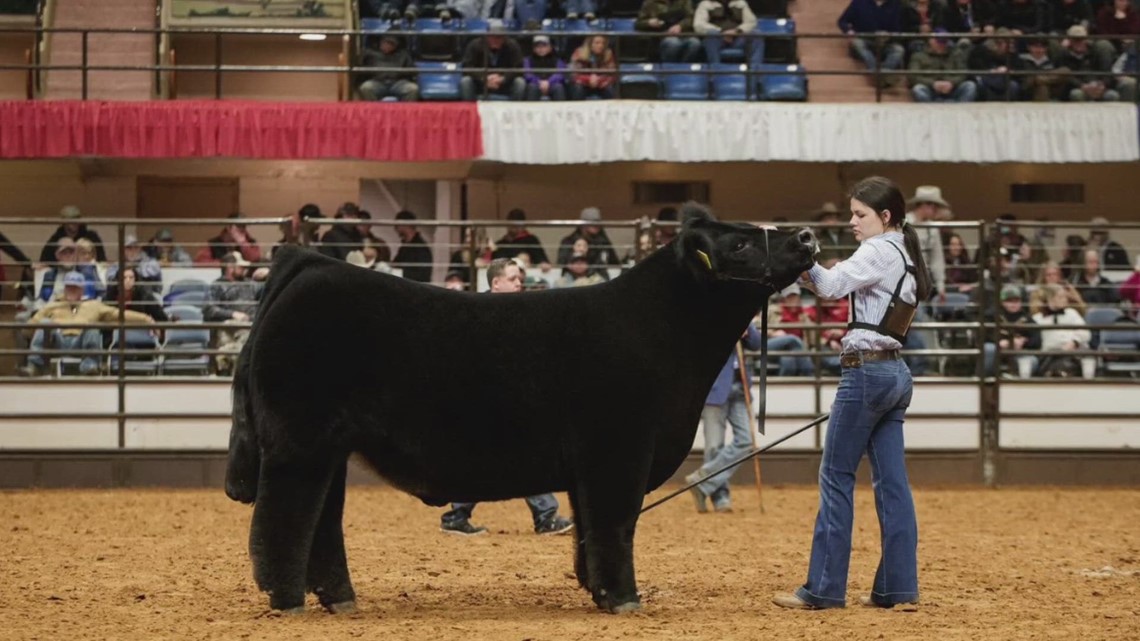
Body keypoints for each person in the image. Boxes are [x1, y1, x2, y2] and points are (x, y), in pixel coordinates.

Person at [773, 176, 929, 611]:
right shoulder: (906, 251)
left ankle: (823, 588)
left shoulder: (879, 249)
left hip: (864, 374)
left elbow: (828, 286)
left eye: (860, 215)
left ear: (885, 216)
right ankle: (898, 588)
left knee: (836, 477)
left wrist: (800, 258)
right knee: (892, 484)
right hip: (895, 373)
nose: (852, 222)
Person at [440, 258, 574, 536]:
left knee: (497, 456)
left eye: (519, 278)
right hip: (489, 398)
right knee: (523, 452)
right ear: (496, 282)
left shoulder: (516, 311)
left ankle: (458, 515)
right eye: (513, 279)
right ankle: (544, 516)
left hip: (503, 398)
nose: (519, 283)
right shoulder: (478, 312)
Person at [684, 321, 763, 513]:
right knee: (714, 446)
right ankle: (720, 498)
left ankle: (701, 480)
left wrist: (747, 330)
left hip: (740, 386)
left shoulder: (742, 315)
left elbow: (757, 343)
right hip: (714, 389)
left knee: (746, 441)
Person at [19, 271, 155, 377]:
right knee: (45, 323)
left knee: (92, 326)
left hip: (81, 342)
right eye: (69, 288)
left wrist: (146, 319)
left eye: (75, 288)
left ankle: (90, 366)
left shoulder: (94, 305)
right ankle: (34, 366)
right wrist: (39, 332)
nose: (71, 291)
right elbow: (30, 328)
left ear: (81, 290)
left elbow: (119, 314)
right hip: (58, 342)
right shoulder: (53, 305)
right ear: (64, 289)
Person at [204, 252, 268, 375]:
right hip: (229, 328)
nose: (245, 269)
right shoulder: (218, 285)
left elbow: (270, 289)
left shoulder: (250, 284)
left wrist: (269, 273)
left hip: (250, 327)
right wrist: (232, 314)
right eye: (241, 267)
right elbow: (209, 309)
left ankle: (232, 356)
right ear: (230, 267)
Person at [357, 35, 420, 102]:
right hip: (378, 82)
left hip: (398, 82)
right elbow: (362, 69)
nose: (387, 46)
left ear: (395, 46)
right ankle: (373, 110)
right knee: (366, 87)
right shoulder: (370, 53)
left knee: (413, 89)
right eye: (385, 43)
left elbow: (413, 70)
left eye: (391, 44)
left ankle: (405, 111)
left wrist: (401, 73)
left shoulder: (403, 54)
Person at [635, 0, 702, 63]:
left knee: (694, 43)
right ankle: (669, 68)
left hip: (683, 33)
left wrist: (680, 26)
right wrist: (649, 22)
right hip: (660, 36)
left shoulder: (684, 1)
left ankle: (683, 68)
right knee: (673, 43)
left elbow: (691, 17)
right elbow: (638, 24)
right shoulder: (650, 2)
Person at [38, 205, 107, 264]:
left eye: (76, 218)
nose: (74, 222)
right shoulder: (56, 239)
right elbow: (44, 261)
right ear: (63, 222)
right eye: (70, 219)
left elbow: (102, 259)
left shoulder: (91, 237)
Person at [197, 213, 263, 265]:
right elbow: (201, 262)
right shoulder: (212, 244)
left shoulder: (251, 242)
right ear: (228, 227)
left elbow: (255, 261)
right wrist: (227, 263)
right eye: (238, 226)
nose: (242, 229)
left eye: (244, 226)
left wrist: (243, 243)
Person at [569, 35, 618, 100]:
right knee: (578, 88)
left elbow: (612, 75)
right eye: (597, 43)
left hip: (601, 84)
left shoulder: (608, 54)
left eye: (603, 43)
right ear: (590, 44)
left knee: (610, 89)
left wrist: (599, 79)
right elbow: (573, 74)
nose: (600, 46)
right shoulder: (579, 53)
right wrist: (588, 79)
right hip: (584, 84)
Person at [522, 35, 568, 101]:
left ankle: (562, 110)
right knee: (532, 87)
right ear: (533, 49)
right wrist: (539, 82)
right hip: (535, 84)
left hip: (552, 84)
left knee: (558, 87)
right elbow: (527, 74)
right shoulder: (528, 60)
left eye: (544, 46)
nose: (541, 49)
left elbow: (560, 74)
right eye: (538, 46)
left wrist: (549, 82)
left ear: (550, 47)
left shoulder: (558, 60)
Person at [393, 210, 434, 283]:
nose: (396, 229)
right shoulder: (404, 247)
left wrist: (398, 272)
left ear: (405, 225)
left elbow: (423, 275)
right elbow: (396, 264)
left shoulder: (421, 248)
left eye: (397, 225)